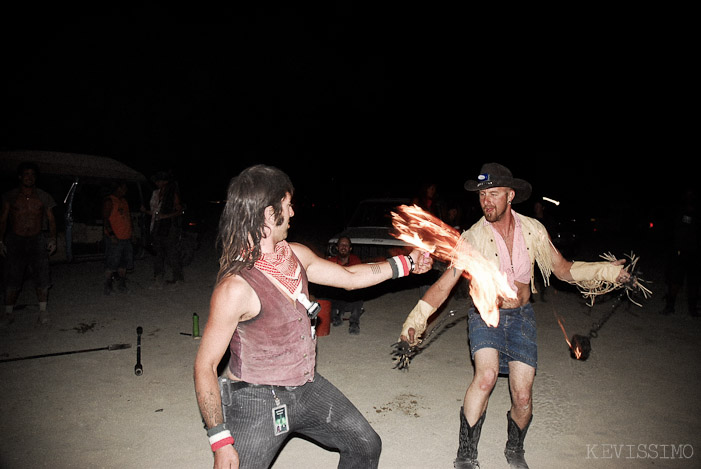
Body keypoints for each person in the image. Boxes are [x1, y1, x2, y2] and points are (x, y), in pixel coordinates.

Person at [193, 164, 432, 469]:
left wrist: (407, 262)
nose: (292, 213)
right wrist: (220, 440)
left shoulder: (296, 254)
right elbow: (205, 366)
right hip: (257, 399)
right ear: (269, 214)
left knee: (365, 443)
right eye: (287, 205)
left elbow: (349, 276)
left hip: (306, 386)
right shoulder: (236, 287)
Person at [398, 163, 632, 469]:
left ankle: (514, 449)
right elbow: (444, 286)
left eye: (493, 194)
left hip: (522, 317)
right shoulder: (471, 237)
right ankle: (466, 455)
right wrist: (415, 322)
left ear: (510, 195)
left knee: (522, 396)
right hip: (486, 315)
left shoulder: (534, 230)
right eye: (482, 195)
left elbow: (563, 269)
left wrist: (607, 272)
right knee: (486, 378)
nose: (486, 201)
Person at [0, 162, 57, 326]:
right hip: (15, 239)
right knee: (12, 276)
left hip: (36, 239)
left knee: (42, 276)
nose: (29, 177)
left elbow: (52, 220)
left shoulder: (43, 196)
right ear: (20, 177)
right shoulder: (10, 196)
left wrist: (53, 238)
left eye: (32, 175)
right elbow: (3, 219)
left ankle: (43, 311)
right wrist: (0, 240)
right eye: (26, 174)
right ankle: (8, 312)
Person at [660, 187, 699, 317]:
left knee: (693, 283)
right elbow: (672, 230)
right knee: (674, 281)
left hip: (694, 253)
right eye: (688, 194)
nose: (689, 197)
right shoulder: (679, 210)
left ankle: (693, 309)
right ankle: (670, 306)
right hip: (679, 252)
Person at [141, 171, 184, 289]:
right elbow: (155, 212)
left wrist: (165, 216)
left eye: (160, 181)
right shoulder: (156, 193)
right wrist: (146, 212)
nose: (158, 183)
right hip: (156, 225)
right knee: (158, 253)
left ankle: (178, 278)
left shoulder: (172, 194)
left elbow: (180, 211)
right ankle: (158, 278)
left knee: (171, 253)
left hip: (169, 227)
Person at [102, 181, 134, 295]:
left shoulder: (124, 201)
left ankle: (122, 286)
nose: (126, 190)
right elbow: (105, 220)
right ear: (118, 188)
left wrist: (131, 234)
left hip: (126, 237)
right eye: (124, 188)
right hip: (115, 238)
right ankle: (108, 287)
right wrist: (111, 235)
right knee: (111, 264)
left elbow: (128, 218)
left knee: (123, 265)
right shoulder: (109, 201)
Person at [327, 236, 364, 334]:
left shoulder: (355, 261)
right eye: (341, 245)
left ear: (350, 248)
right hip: (335, 296)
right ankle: (336, 316)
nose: (344, 247)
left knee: (359, 294)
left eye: (346, 245)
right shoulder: (330, 262)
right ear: (337, 247)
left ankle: (354, 322)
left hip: (350, 296)